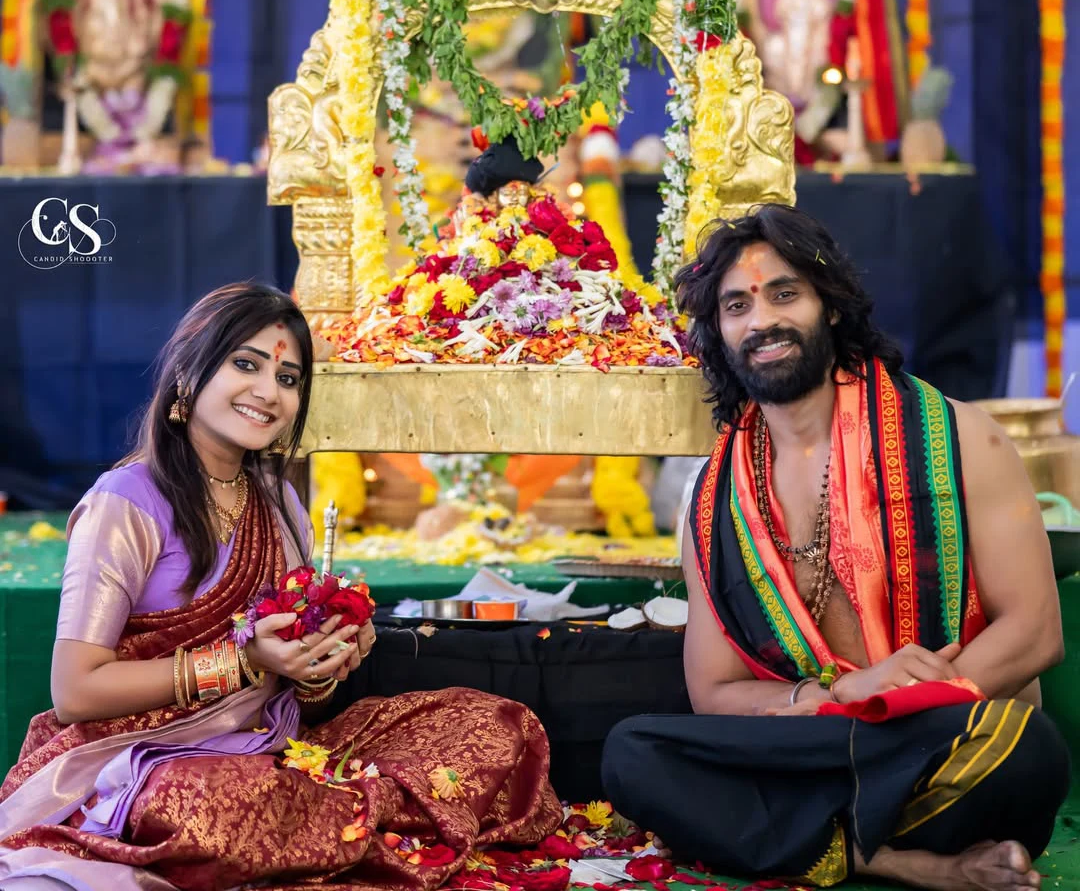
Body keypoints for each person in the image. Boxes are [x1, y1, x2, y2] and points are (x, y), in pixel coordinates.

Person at [0, 282, 560, 889]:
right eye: (246, 365)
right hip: (141, 762)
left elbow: (303, 699)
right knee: (205, 805)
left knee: (494, 724)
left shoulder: (278, 499)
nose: (269, 392)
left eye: (288, 378)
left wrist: (319, 662)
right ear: (187, 374)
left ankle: (325, 823)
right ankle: (350, 821)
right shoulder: (126, 501)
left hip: (276, 747)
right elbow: (75, 692)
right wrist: (243, 663)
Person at [603, 206, 1070, 891]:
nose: (761, 321)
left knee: (1024, 747)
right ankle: (891, 858)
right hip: (817, 738)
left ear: (830, 305)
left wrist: (894, 706)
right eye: (737, 306)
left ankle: (798, 831)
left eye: (784, 293)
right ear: (718, 333)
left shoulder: (961, 440)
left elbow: (1035, 635)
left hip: (942, 740)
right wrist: (846, 695)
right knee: (633, 752)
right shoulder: (713, 496)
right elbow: (715, 691)